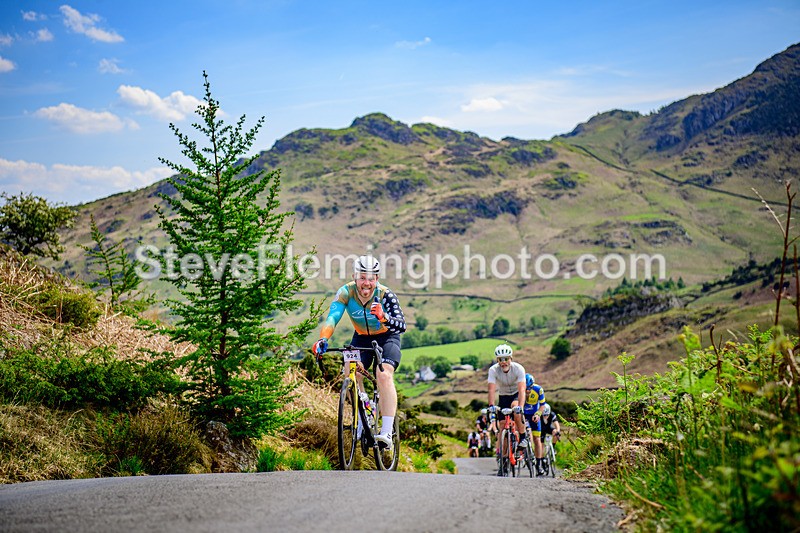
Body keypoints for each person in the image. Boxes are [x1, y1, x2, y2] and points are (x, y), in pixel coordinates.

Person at [313, 255, 406, 448]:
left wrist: (384, 317)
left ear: (377, 279)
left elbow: (401, 325)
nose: (367, 283)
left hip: (387, 337)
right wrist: (323, 338)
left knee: (383, 375)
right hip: (361, 337)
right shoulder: (345, 293)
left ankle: (387, 432)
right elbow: (332, 318)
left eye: (371, 278)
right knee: (350, 369)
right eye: (363, 277)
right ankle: (364, 410)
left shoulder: (385, 294)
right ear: (355, 277)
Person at [486, 343, 526, 475]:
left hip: (516, 395)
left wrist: (520, 406)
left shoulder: (519, 369)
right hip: (503, 397)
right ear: (497, 360)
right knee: (502, 427)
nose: (503, 362)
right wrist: (491, 406)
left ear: (511, 358)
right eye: (500, 360)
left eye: (506, 359)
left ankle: (523, 436)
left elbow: (522, 389)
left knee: (515, 409)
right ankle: (503, 463)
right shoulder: (493, 370)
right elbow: (491, 389)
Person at [521, 373, 547, 476]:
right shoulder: (519, 389)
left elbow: (542, 405)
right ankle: (521, 453)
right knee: (522, 432)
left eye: (529, 389)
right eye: (525, 389)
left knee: (537, 439)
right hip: (523, 415)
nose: (527, 391)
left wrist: (538, 414)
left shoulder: (538, 390)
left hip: (534, 415)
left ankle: (539, 464)